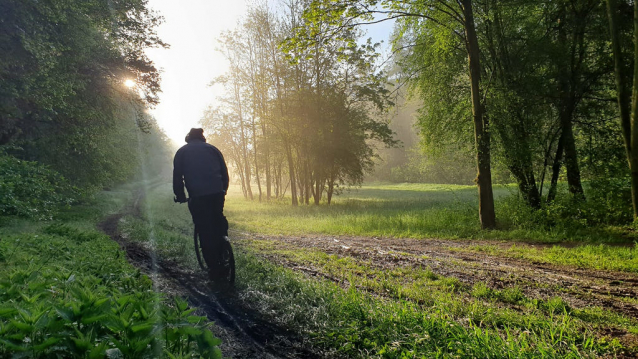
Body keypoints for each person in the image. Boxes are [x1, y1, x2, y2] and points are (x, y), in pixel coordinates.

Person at [173, 128, 229, 280]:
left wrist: (180, 196)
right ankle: (224, 247)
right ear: (202, 138)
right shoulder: (213, 149)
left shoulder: (182, 152)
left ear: (188, 138)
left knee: (204, 229)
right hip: (217, 193)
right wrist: (223, 190)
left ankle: (213, 268)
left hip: (197, 196)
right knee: (218, 219)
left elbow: (178, 177)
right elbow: (225, 172)